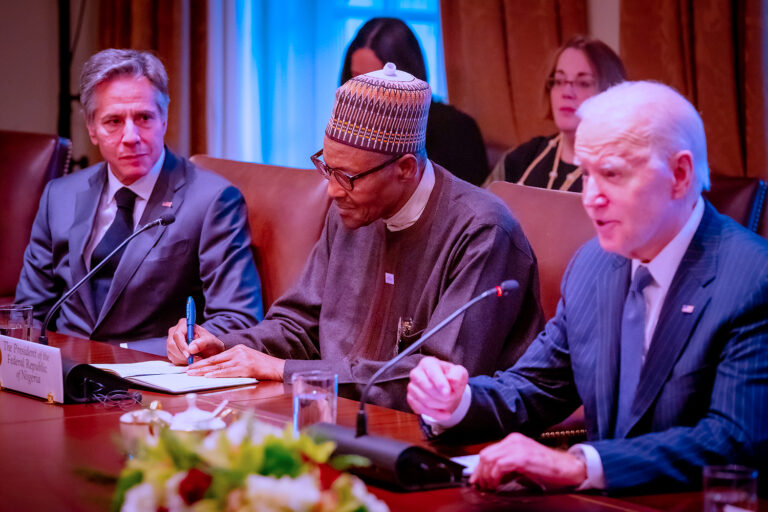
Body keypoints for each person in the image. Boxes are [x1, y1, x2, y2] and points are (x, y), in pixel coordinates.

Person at [407, 81, 768, 492]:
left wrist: (582, 465)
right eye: (586, 175)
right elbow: (537, 386)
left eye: (611, 174)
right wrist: (457, 402)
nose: (590, 197)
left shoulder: (753, 280)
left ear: (680, 175)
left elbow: (733, 439)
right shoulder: (593, 265)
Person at [167, 63, 544, 410]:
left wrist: (284, 370)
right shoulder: (350, 209)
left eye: (347, 177)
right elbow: (298, 325)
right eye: (327, 168)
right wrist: (224, 344)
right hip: (338, 416)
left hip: (435, 437)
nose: (332, 190)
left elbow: (436, 381)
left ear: (405, 169)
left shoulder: (481, 230)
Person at [15, 49, 263, 354]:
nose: (130, 136)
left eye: (144, 117)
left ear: (164, 119)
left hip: (148, 371)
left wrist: (168, 349)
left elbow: (237, 319)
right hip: (64, 368)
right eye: (113, 121)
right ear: (91, 128)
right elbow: (29, 313)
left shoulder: (213, 200)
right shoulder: (59, 195)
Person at [341, 17, 490, 186]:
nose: (364, 92)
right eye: (357, 79)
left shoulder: (454, 129)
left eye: (378, 81)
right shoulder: (351, 128)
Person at [485, 36, 626, 192]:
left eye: (583, 83)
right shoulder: (523, 158)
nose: (566, 92)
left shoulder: (622, 170)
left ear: (610, 93)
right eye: (559, 81)